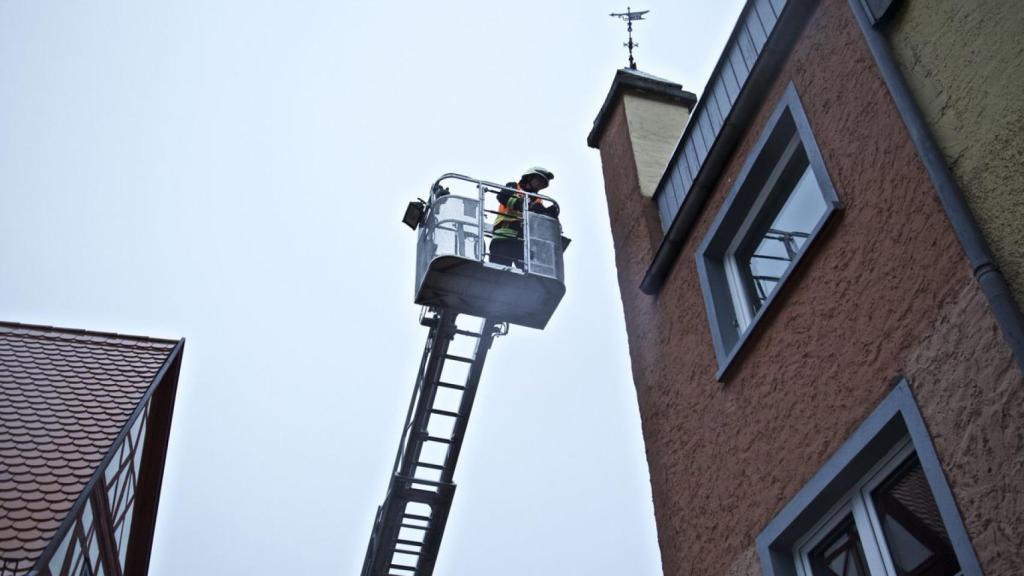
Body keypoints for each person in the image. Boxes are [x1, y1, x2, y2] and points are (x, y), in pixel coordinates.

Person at [489, 167, 559, 268]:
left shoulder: (538, 201)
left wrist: (549, 213)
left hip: (523, 243)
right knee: (497, 273)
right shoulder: (513, 186)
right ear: (529, 178)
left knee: (528, 278)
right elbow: (502, 197)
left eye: (543, 184)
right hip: (503, 238)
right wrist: (525, 205)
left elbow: (540, 219)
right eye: (539, 181)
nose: (540, 185)